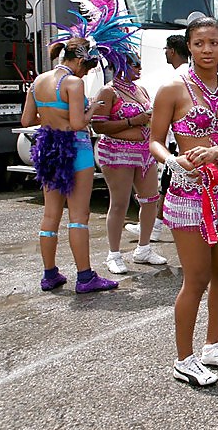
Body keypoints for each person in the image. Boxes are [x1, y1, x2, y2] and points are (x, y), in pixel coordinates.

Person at [150, 16, 218, 386]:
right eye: (199, 43)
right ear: (188, 47)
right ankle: (183, 358)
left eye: (214, 43)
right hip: (189, 196)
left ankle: (213, 346)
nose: (207, 50)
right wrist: (174, 160)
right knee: (196, 278)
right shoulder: (172, 90)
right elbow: (155, 140)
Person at [21, 35, 119, 294]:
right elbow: (77, 124)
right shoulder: (72, 83)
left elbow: (26, 119)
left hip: (48, 148)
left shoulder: (39, 81)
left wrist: (52, 116)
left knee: (50, 214)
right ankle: (85, 277)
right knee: (79, 215)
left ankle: (49, 274)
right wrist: (92, 110)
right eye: (87, 68)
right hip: (76, 148)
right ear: (78, 60)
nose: (86, 74)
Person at [92, 50, 167, 274]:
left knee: (150, 200)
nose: (139, 67)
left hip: (144, 152)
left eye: (139, 62)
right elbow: (98, 126)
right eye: (134, 63)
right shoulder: (108, 91)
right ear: (120, 64)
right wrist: (132, 120)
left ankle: (143, 249)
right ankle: (113, 254)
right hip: (117, 152)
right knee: (119, 203)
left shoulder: (140, 90)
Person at [136, 33, 192, 242]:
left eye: (166, 50)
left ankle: (158, 226)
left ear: (173, 51)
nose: (166, 54)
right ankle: (156, 225)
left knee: (169, 183)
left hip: (179, 143)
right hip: (173, 142)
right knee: (167, 183)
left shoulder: (177, 78)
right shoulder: (178, 75)